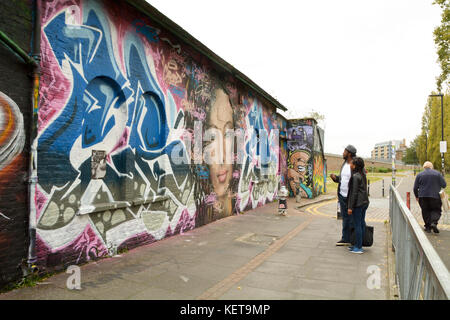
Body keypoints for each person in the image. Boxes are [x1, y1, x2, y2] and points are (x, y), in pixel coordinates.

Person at [330, 145, 357, 246]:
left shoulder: (356, 164)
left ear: (349, 153)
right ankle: (345, 238)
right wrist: (335, 178)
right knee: (345, 217)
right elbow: (343, 179)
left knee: (353, 219)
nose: (343, 153)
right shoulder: (344, 164)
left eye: (345, 151)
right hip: (342, 195)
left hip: (351, 196)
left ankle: (354, 239)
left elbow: (358, 180)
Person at [413, 161, 447, 233]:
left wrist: (417, 196)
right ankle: (434, 223)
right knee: (436, 210)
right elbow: (444, 185)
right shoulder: (437, 174)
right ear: (432, 167)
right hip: (435, 196)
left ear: (424, 167)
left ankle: (428, 227)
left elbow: (415, 188)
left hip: (423, 196)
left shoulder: (419, 175)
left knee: (425, 211)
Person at [347, 157, 370, 254]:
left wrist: (350, 207)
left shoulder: (356, 176)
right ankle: (357, 245)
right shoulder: (362, 174)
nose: (350, 165)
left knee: (358, 225)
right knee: (360, 224)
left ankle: (359, 247)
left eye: (351, 163)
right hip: (364, 202)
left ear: (355, 165)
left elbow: (354, 193)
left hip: (358, 204)